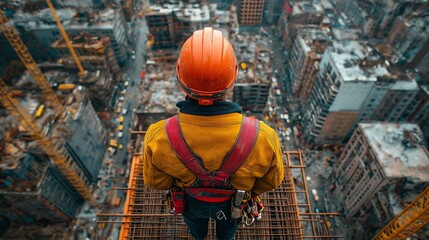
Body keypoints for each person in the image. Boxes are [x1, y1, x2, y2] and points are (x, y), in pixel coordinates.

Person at [143, 27, 284, 240]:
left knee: (196, 228)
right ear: (232, 79)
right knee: (227, 231)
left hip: (191, 202)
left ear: (181, 80)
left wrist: (185, 180)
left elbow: (156, 182)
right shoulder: (263, 137)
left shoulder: (159, 136)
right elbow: (272, 181)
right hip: (233, 205)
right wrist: (245, 188)